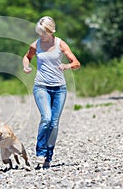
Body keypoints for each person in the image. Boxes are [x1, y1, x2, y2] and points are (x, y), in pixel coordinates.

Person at [22, 16, 80, 169]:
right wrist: (26, 66)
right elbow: (27, 57)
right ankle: (40, 152)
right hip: (41, 86)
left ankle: (49, 155)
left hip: (60, 89)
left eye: (43, 33)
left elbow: (76, 63)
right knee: (46, 118)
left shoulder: (60, 44)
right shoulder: (36, 44)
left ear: (51, 31)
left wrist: (67, 66)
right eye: (39, 32)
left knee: (54, 124)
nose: (41, 35)